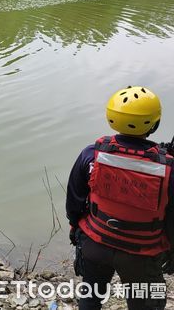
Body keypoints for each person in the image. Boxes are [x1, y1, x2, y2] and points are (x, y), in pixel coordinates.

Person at [66, 86, 174, 310]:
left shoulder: (92, 154)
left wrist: (75, 228)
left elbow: (74, 201)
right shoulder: (168, 169)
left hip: (95, 242)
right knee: (145, 304)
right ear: (154, 123)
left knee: (91, 295)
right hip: (141, 253)